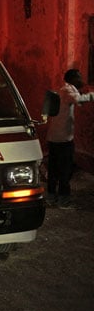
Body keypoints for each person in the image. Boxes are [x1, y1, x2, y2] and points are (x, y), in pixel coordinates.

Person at [46, 68, 94, 210]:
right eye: (79, 77)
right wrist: (92, 95)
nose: (81, 80)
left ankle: (51, 197)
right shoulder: (67, 91)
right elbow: (78, 99)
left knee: (53, 169)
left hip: (54, 137)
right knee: (65, 170)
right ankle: (63, 200)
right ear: (72, 79)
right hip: (63, 139)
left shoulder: (62, 90)